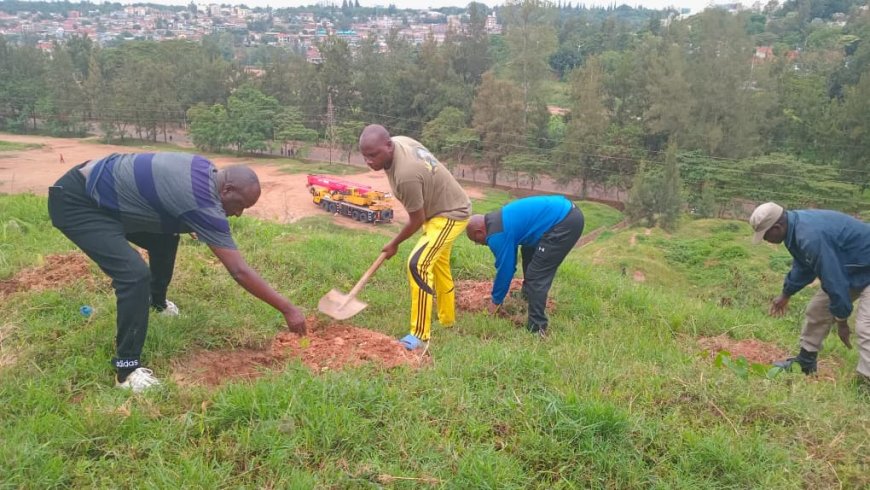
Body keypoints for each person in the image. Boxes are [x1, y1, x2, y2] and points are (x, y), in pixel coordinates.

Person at [48, 152, 306, 392]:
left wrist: (188, 222)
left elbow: (166, 195)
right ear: (227, 189)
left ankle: (157, 303)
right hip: (78, 202)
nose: (238, 214)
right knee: (134, 276)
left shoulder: (206, 170)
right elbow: (239, 271)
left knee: (166, 238)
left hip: (110, 197)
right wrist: (288, 309)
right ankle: (126, 371)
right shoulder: (202, 202)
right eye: (240, 205)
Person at [358, 124, 471, 350]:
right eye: (365, 156)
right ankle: (447, 320)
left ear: (388, 146)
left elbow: (416, 219)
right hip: (439, 209)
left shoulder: (405, 175)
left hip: (451, 214)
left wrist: (394, 244)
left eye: (373, 155)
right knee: (439, 266)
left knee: (418, 264)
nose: (369, 161)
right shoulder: (399, 141)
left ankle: (419, 335)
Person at [749, 201, 869, 383]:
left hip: (860, 266)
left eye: (765, 235)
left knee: (865, 325)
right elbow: (804, 266)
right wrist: (786, 293)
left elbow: (833, 280)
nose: (765, 239)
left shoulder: (810, 236)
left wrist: (842, 321)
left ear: (777, 227)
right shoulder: (794, 229)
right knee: (818, 309)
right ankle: (806, 362)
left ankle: (866, 381)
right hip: (854, 267)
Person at [465, 195, 584, 336]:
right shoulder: (498, 220)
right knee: (528, 250)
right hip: (565, 212)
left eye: (476, 240)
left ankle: (537, 328)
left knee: (536, 276)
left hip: (563, 222)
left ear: (479, 232)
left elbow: (506, 270)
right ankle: (527, 295)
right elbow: (510, 257)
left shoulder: (496, 235)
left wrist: (496, 301)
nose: (478, 244)